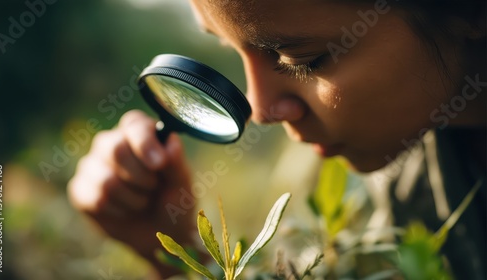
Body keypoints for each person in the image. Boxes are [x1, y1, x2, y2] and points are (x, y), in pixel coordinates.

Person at [68, 0, 486, 278]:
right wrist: (182, 256)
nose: (261, 112)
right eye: (231, 48)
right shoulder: (394, 171)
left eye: (302, 59)